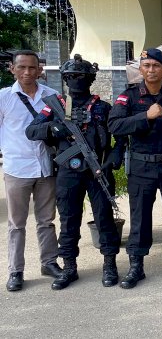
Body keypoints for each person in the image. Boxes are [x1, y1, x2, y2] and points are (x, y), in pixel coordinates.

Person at [26, 54, 125, 290]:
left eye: (81, 76)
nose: (76, 81)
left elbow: (120, 139)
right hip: (68, 173)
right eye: (71, 76)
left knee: (105, 220)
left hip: (97, 170)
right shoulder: (56, 107)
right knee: (69, 220)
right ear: (65, 79)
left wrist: (112, 161)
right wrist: (55, 128)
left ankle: (110, 264)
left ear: (91, 79)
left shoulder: (103, 107)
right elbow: (32, 131)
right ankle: (69, 267)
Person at [108, 48, 162, 289]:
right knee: (139, 219)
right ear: (140, 69)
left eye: (156, 66)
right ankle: (136, 267)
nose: (151, 70)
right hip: (141, 166)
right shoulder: (128, 97)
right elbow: (114, 125)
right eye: (146, 65)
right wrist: (144, 117)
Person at [0, 50, 63, 291]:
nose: (27, 72)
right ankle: (15, 270)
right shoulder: (4, 97)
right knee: (16, 223)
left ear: (40, 70)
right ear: (12, 69)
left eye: (32, 68)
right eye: (22, 67)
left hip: (46, 168)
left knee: (46, 220)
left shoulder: (52, 95)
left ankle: (49, 262)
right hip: (17, 169)